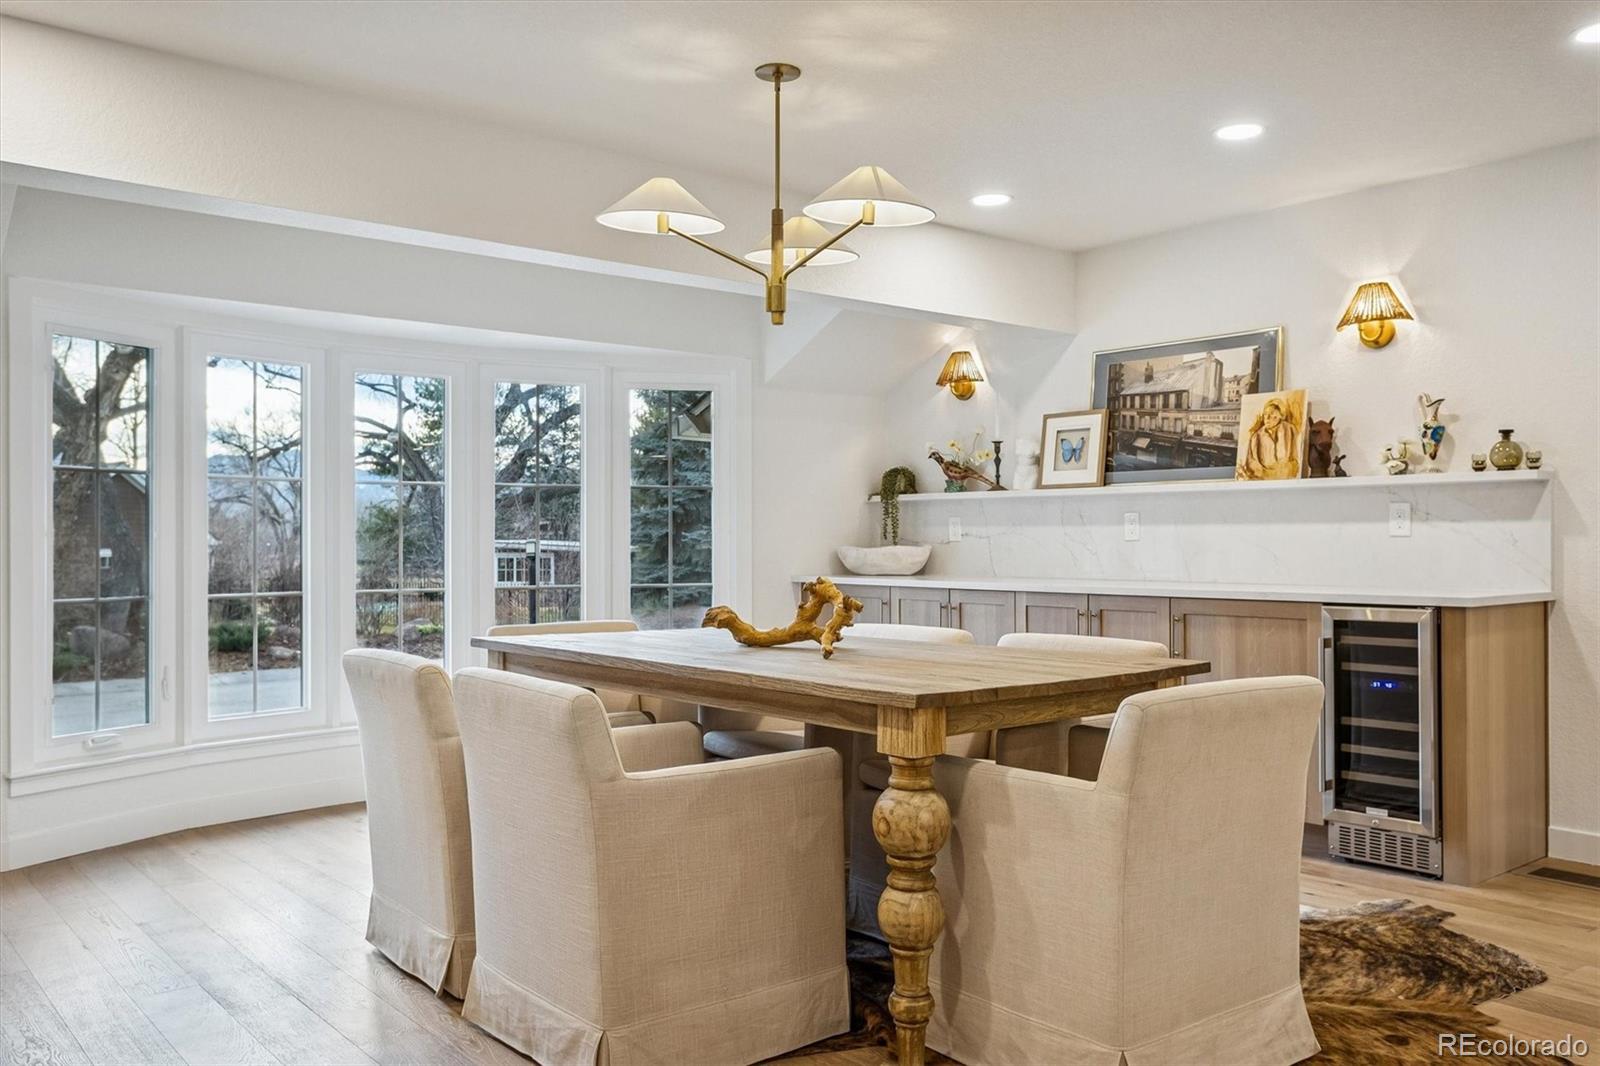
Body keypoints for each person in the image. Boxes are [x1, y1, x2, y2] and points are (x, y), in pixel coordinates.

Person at [1241, 398, 1299, 479]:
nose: (1267, 417)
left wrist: (1283, 472)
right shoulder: (1256, 436)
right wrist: (1266, 474)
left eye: (1272, 414)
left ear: (1280, 416)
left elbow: (1296, 460)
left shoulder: (1290, 430)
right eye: (1265, 414)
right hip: (1264, 479)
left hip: (1286, 478)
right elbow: (1251, 463)